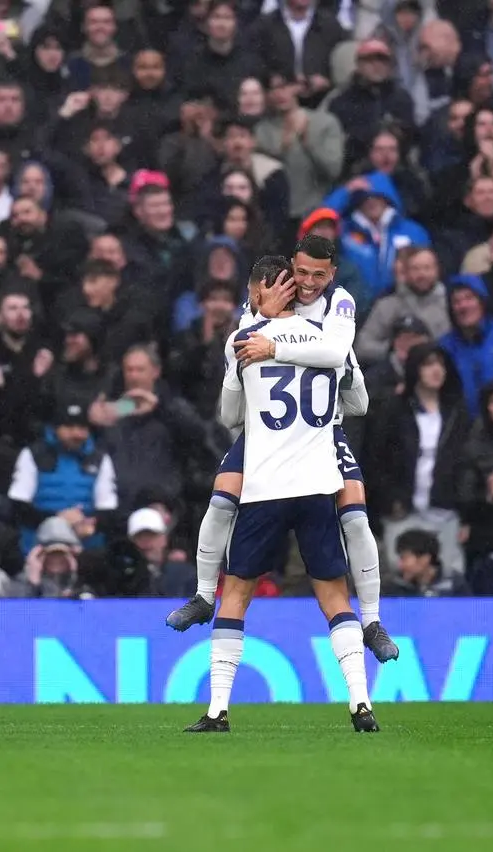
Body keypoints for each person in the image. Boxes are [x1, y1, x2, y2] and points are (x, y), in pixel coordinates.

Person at [165, 238, 399, 664]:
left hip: (322, 428)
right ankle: (202, 596)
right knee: (220, 499)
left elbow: (336, 357)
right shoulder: (263, 299)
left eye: (319, 276)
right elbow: (233, 378)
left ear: (333, 275)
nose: (308, 284)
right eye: (303, 273)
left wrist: (274, 344)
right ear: (292, 266)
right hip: (267, 431)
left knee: (355, 513)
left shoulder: (339, 303)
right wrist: (260, 320)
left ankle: (371, 620)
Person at [185, 271, 377, 734]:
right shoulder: (327, 340)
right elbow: (358, 402)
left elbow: (230, 416)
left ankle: (217, 712)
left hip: (266, 484)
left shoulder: (246, 338)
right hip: (316, 482)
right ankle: (361, 703)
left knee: (237, 593)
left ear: (258, 292)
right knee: (333, 593)